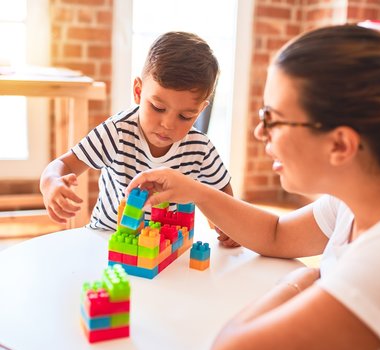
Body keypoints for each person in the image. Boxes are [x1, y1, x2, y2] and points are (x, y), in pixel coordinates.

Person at [125, 24, 380, 350]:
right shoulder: (355, 201)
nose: (260, 131)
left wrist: (304, 281)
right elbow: (275, 234)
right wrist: (196, 191)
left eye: (273, 118)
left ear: (340, 144)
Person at [40, 31, 235, 245]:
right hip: (107, 238)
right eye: (158, 107)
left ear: (199, 111)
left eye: (185, 116)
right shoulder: (117, 132)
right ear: (138, 91)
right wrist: (51, 182)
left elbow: (222, 190)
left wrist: (231, 225)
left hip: (165, 247)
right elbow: (63, 164)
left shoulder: (200, 148)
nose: (168, 124)